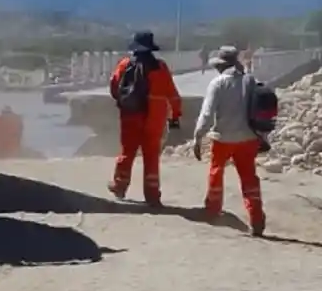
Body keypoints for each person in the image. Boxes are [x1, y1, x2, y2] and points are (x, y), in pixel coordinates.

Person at [192, 45, 266, 237]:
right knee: (249, 178)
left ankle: (213, 210)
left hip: (223, 138)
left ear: (221, 65)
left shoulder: (218, 84)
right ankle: (256, 217)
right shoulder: (251, 81)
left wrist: (198, 136)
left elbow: (207, 114)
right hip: (248, 139)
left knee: (216, 172)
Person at [108, 30, 182, 206]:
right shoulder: (160, 68)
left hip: (130, 116)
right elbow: (173, 94)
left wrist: (124, 102)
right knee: (151, 157)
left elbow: (114, 87)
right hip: (154, 119)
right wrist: (175, 116)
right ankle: (152, 195)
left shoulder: (124, 65)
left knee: (127, 152)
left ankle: (120, 186)